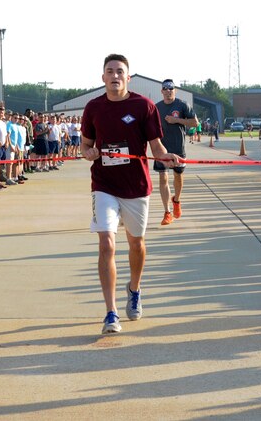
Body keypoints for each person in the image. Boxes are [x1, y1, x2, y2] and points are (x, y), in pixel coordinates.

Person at [80, 54, 181, 335]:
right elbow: (85, 146)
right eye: (109, 71)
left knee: (136, 244)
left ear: (128, 76)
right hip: (104, 184)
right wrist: (88, 153)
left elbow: (157, 147)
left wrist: (167, 157)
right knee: (107, 244)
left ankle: (134, 288)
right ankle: (111, 312)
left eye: (119, 71)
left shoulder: (143, 106)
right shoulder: (93, 108)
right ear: (103, 77)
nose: (114, 76)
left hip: (136, 186)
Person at [154, 79, 198, 225]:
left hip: (178, 148)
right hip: (162, 149)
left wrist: (177, 120)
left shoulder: (182, 105)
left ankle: (176, 200)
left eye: (171, 88)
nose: (168, 91)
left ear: (175, 90)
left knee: (178, 177)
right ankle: (167, 212)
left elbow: (195, 123)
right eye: (165, 89)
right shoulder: (156, 108)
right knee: (163, 178)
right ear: (162, 91)